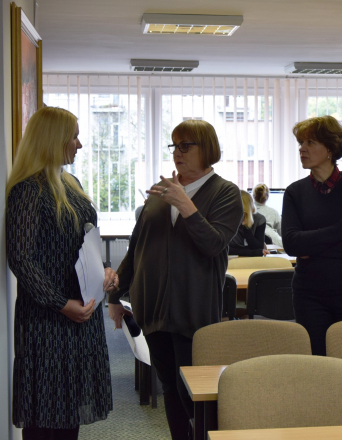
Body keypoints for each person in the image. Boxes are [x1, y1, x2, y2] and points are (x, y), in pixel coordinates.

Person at [108, 119, 243, 440]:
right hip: (152, 310)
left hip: (193, 310)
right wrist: (114, 297)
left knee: (193, 392)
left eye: (186, 146)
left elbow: (212, 244)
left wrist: (185, 204)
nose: (177, 153)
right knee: (169, 386)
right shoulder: (160, 193)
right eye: (174, 146)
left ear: (206, 149)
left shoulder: (226, 193)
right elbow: (136, 248)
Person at [6, 107, 116, 439]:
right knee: (46, 415)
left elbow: (84, 241)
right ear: (53, 140)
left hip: (81, 314)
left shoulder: (71, 183)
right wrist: (60, 303)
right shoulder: (28, 190)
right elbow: (21, 259)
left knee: (69, 414)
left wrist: (104, 271)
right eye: (74, 137)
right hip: (48, 319)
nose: (79, 144)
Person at [282, 115, 342, 356]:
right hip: (309, 295)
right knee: (318, 364)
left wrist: (313, 249)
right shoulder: (295, 192)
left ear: (330, 148)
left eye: (310, 142)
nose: (302, 149)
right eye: (300, 143)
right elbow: (292, 244)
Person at [229, 190, 269, 256]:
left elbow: (258, 248)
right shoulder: (228, 219)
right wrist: (251, 251)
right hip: (231, 259)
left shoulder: (259, 219)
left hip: (251, 259)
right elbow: (228, 249)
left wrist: (246, 227)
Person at [253, 183, 283, 248]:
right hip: (273, 242)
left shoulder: (248, 212)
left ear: (253, 196)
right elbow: (282, 233)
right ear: (267, 197)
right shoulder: (273, 212)